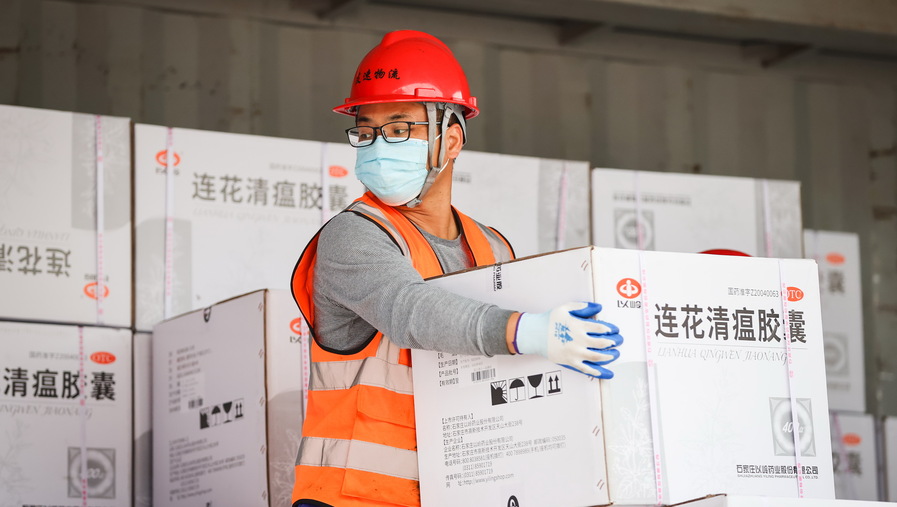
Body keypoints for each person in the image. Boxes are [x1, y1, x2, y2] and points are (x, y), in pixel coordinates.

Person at [290, 30, 623, 507]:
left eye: (399, 129)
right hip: (353, 498)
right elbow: (409, 311)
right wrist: (530, 331)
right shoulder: (353, 234)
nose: (378, 146)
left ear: (450, 139)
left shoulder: (493, 247)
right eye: (366, 131)